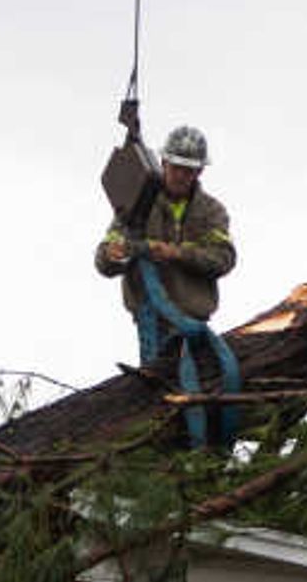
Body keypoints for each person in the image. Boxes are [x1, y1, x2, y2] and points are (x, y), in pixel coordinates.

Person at [96, 97, 236, 377]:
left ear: (200, 171)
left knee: (204, 380)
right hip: (149, 318)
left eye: (189, 169)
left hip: (193, 318)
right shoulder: (137, 200)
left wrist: (177, 253)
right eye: (176, 166)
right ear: (163, 161)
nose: (181, 175)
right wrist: (113, 255)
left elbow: (224, 258)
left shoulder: (211, 211)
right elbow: (103, 258)